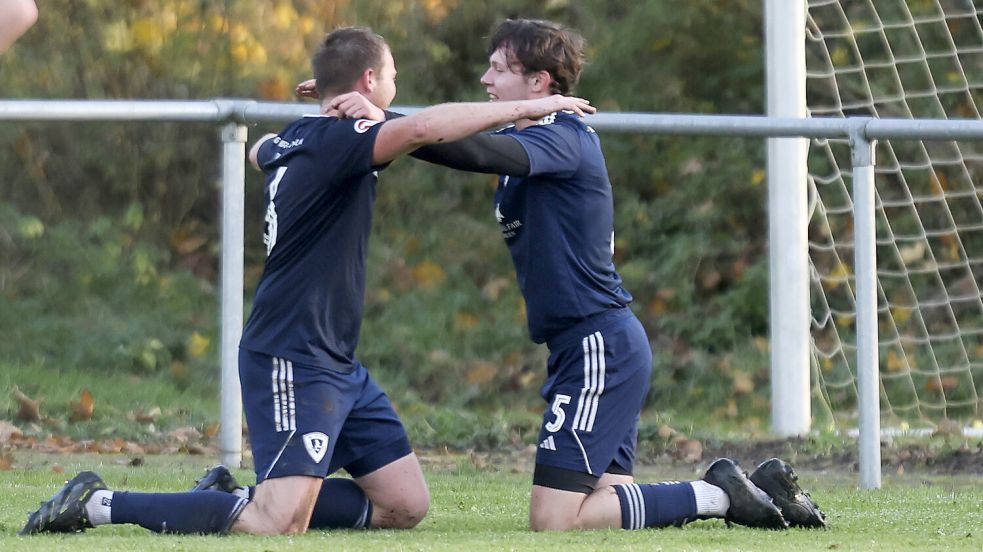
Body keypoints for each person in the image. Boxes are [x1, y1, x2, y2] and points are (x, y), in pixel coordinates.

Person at [18, 26, 595, 537]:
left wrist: (329, 105)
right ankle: (98, 504)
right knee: (277, 522)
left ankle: (225, 500)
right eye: (393, 74)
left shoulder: (292, 140)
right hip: (293, 352)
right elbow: (423, 128)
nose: (398, 82)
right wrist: (528, 111)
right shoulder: (340, 141)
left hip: (335, 360)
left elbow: (264, 151)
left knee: (404, 505)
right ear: (370, 79)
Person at [298, 18, 827, 531]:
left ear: (538, 82)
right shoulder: (533, 140)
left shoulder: (563, 136)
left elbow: (471, 149)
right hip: (584, 346)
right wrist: (374, 117)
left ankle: (719, 494)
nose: (485, 80)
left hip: (599, 344)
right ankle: (753, 490)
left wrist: (385, 117)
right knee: (601, 508)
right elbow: (449, 143)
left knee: (554, 519)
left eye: (498, 69)